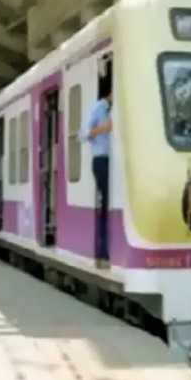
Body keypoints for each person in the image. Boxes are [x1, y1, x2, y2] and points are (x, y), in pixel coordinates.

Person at [81, 87, 113, 270]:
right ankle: (103, 252)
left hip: (115, 162)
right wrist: (101, 129)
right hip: (101, 160)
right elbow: (82, 135)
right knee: (106, 204)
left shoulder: (118, 109)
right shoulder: (98, 108)